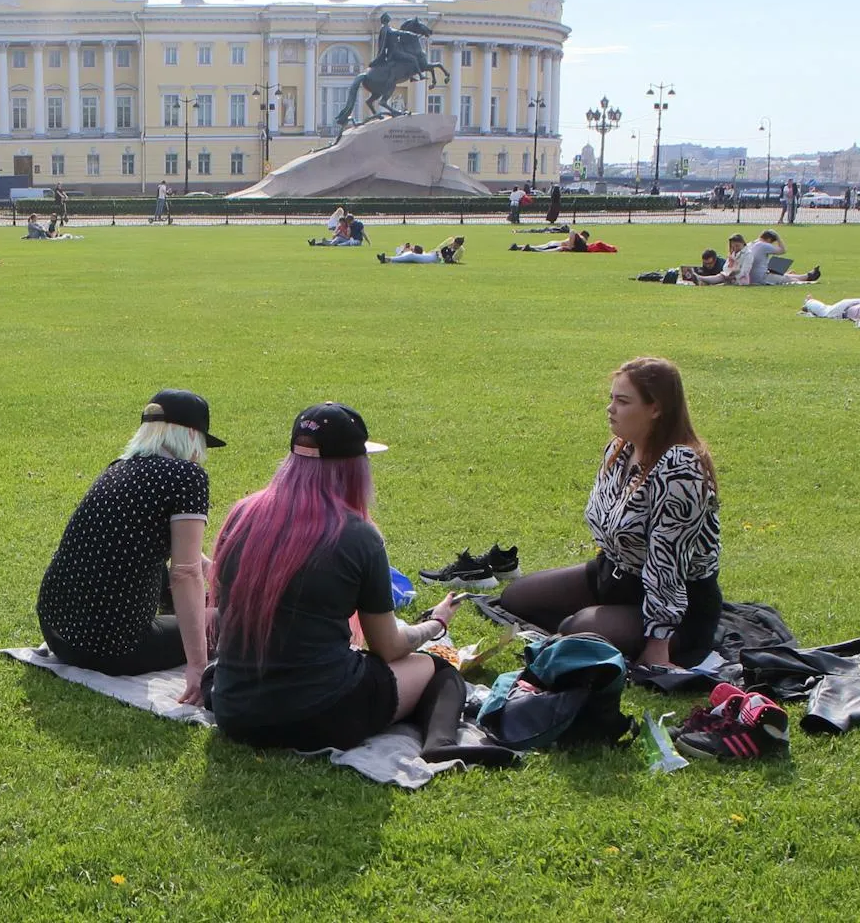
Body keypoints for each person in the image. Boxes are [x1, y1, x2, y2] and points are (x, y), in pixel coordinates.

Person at [207, 402, 511, 764]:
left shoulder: (242, 515)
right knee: (438, 670)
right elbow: (389, 647)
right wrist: (435, 624)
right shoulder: (357, 536)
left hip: (235, 710)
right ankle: (440, 743)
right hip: (318, 716)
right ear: (353, 469)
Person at [498, 358, 722, 667]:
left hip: (678, 604)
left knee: (576, 630)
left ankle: (632, 630)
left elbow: (666, 563)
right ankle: (606, 620)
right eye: (611, 398)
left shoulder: (680, 468)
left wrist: (658, 644)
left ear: (655, 409)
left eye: (623, 401)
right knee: (515, 599)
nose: (610, 408)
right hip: (616, 576)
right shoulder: (621, 449)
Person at [36, 389, 223, 697]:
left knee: (165, 575)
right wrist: (197, 665)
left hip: (59, 632)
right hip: (111, 647)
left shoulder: (118, 468)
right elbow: (184, 572)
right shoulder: (188, 476)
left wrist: (211, 570)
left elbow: (175, 550)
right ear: (192, 436)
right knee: (229, 620)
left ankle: (199, 611)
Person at [740, 229, 819, 285]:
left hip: (752, 275)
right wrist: (777, 237)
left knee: (783, 275)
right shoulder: (763, 245)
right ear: (769, 239)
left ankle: (807, 275)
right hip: (760, 278)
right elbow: (783, 250)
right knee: (788, 280)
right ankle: (807, 278)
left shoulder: (751, 243)